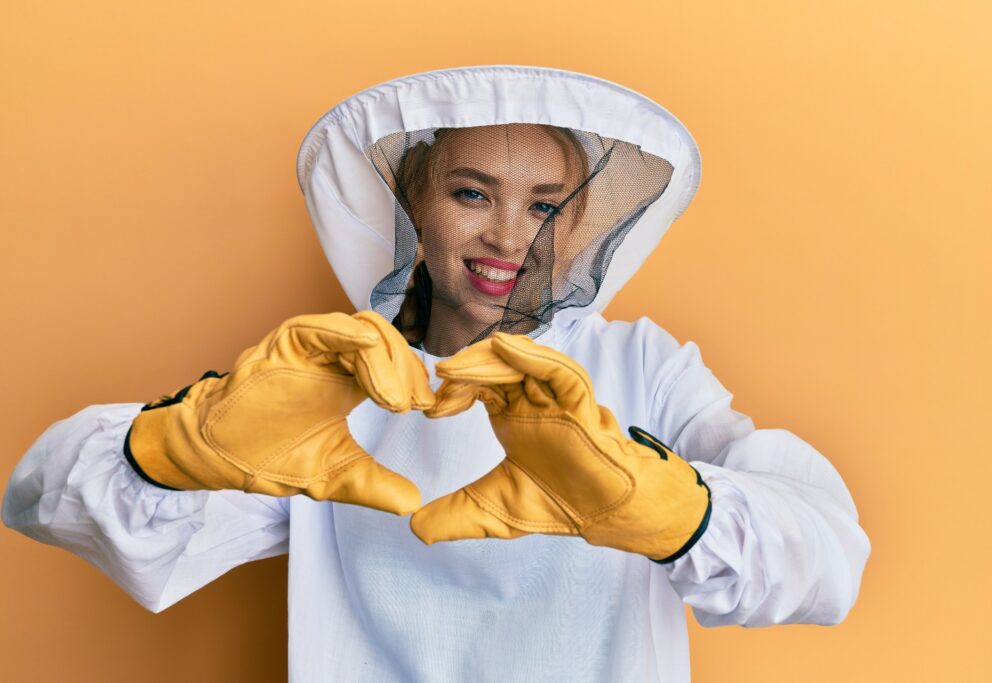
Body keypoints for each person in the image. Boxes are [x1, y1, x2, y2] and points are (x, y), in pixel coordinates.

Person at [3, 65, 871, 682]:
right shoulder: (331, 372)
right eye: (471, 193)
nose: (509, 237)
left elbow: (828, 556)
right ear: (414, 202)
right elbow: (43, 497)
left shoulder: (637, 361)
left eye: (544, 205)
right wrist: (182, 442)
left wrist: (671, 506)